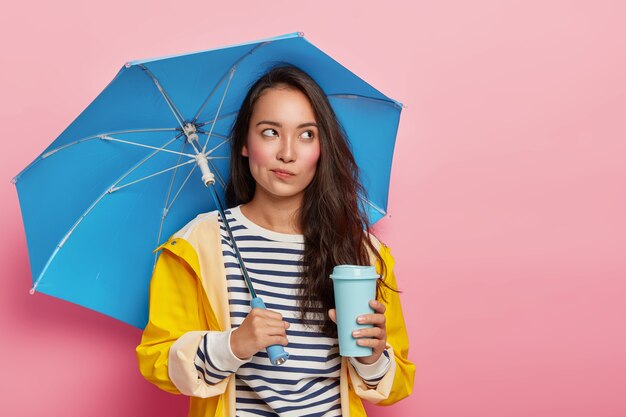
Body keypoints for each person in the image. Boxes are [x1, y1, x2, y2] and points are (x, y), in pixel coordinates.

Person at [136, 65, 414, 417]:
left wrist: (373, 360)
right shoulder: (196, 245)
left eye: (306, 135)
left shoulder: (363, 253)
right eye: (270, 132)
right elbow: (158, 359)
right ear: (244, 145)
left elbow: (400, 379)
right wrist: (232, 345)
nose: (287, 153)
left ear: (322, 148)